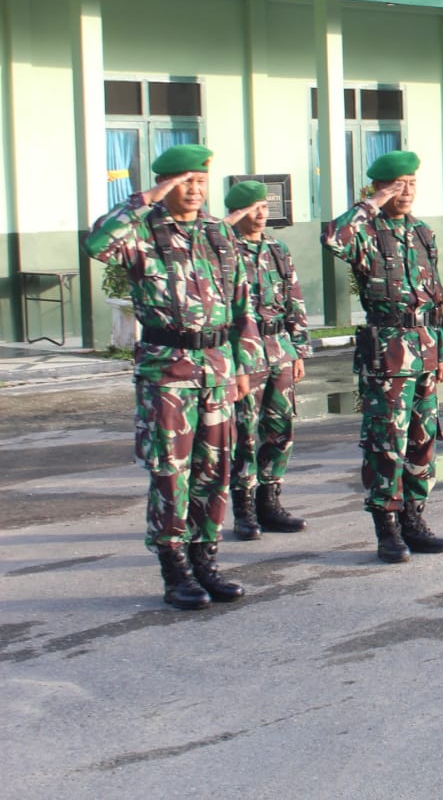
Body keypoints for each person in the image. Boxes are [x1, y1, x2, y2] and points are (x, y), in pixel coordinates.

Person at [85, 144, 256, 610]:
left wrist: (243, 364)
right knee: (170, 473)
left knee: (214, 471)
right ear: (166, 186)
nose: (195, 190)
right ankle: (173, 567)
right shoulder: (141, 233)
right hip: (168, 372)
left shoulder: (219, 233)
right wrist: (145, 199)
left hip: (218, 370)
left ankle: (206, 560)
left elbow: (243, 306)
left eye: (201, 182)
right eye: (185, 182)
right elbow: (97, 243)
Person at [323, 150, 443, 564]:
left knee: (422, 439)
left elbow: (436, 298)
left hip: (426, 349)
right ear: (380, 187)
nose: (407, 191)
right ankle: (387, 527)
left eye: (412, 183)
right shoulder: (366, 231)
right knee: (387, 443)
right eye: (398, 185)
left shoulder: (422, 232)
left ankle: (415, 520)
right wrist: (372, 203)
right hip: (388, 354)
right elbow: (333, 238)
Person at [223, 180, 310, 541]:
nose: (261, 214)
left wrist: (299, 350)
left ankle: (270, 502)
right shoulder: (224, 249)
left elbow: (293, 297)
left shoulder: (277, 248)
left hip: (279, 349)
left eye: (264, 207)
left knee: (280, 429)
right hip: (245, 352)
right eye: (252, 208)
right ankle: (243, 510)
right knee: (244, 432)